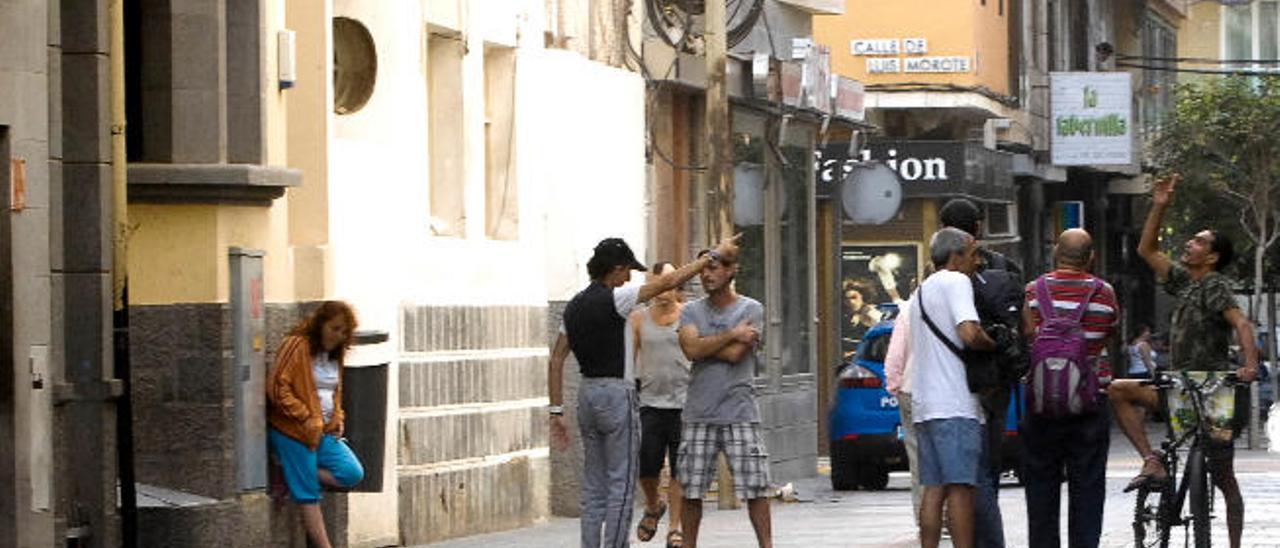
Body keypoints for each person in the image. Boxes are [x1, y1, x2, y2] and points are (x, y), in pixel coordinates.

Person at [547, 235, 739, 548]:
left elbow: (556, 359)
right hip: (616, 394)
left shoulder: (574, 306)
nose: (628, 279)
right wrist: (710, 257)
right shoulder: (617, 299)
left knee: (593, 484)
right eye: (627, 272)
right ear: (616, 269)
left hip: (586, 394)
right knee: (620, 483)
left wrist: (556, 410)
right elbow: (670, 281)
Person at [1107, 174, 1259, 548]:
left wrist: (1250, 365)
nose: (1189, 244)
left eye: (1199, 242)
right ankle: (1151, 460)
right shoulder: (1184, 281)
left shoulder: (1215, 285)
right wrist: (1159, 205)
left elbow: (1241, 323)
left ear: (1213, 256)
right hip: (1178, 387)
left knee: (1224, 478)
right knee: (1118, 390)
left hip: (1213, 391)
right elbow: (1146, 251)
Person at [1020, 229, 1119, 548]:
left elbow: (1026, 336)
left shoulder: (1033, 292)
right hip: (1089, 403)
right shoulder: (1104, 294)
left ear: (1055, 252)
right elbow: (1108, 336)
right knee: (1088, 486)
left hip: (1041, 404)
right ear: (1091, 258)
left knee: (1040, 487)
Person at [939, 197, 1023, 548]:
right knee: (987, 467)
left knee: (958, 475)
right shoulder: (1006, 268)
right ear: (979, 228)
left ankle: (973, 537)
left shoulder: (938, 276)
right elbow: (1023, 323)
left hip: (955, 382)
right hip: (996, 382)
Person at [676, 249, 771, 548]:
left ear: (731, 271)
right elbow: (691, 351)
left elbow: (735, 356)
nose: (706, 274)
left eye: (714, 268)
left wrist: (706, 344)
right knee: (691, 490)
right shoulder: (690, 311)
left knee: (756, 487)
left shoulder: (752, 309)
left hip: (739, 411)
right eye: (703, 269)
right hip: (699, 413)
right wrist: (732, 334)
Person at [908, 227, 996, 548]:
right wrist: (993, 343)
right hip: (955, 404)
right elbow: (969, 333)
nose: (977, 263)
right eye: (973, 255)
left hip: (925, 406)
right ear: (956, 256)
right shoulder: (957, 281)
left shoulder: (920, 291)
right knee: (961, 487)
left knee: (934, 487)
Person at [266, 301, 366, 548]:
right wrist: (305, 416)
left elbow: (333, 392)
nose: (339, 336)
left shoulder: (334, 355)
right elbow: (278, 387)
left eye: (344, 332)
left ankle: (289, 472)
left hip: (322, 431)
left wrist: (337, 417)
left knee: (352, 472)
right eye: (335, 328)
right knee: (308, 493)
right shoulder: (297, 345)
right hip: (293, 431)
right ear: (320, 324)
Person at [631, 262, 692, 548]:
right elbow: (629, 362)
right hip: (650, 403)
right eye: (658, 282)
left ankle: (674, 528)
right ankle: (654, 505)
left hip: (683, 403)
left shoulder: (689, 315)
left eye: (669, 281)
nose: (663, 289)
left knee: (680, 468)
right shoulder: (639, 319)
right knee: (647, 465)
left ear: (677, 284)